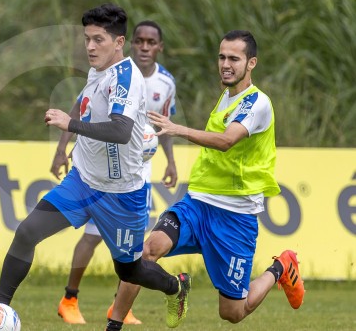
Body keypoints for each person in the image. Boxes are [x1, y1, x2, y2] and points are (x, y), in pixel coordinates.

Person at [0, 4, 190, 331]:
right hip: (83, 181)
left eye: (98, 39)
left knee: (130, 271)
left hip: (122, 195)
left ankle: (176, 287)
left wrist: (70, 124)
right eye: (87, 39)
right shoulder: (98, 69)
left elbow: (121, 131)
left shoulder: (127, 78)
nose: (90, 46)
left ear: (118, 42)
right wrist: (63, 144)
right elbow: (83, 102)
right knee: (27, 232)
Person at [108, 30, 305, 330]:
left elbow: (227, 141)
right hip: (198, 204)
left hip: (235, 219)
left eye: (234, 59)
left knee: (233, 313)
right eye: (222, 57)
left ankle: (281, 266)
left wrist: (178, 129)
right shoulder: (227, 94)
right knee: (146, 251)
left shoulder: (257, 103)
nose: (226, 64)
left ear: (251, 63)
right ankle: (114, 326)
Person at [54, 20, 179, 325]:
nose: (145, 47)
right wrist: (62, 147)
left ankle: (119, 307)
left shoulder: (166, 83)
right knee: (91, 236)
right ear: (129, 43)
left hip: (136, 175)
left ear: (160, 47)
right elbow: (79, 107)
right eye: (140, 41)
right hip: (102, 169)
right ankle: (69, 297)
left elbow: (164, 127)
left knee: (132, 248)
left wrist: (170, 160)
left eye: (151, 42)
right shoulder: (114, 71)